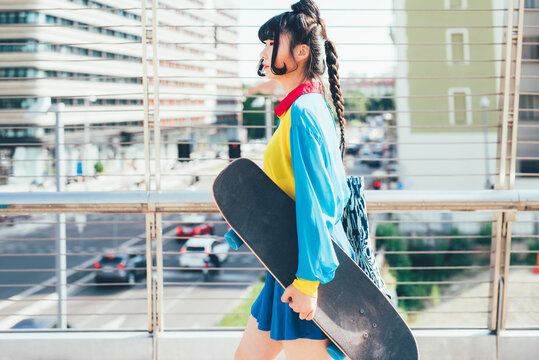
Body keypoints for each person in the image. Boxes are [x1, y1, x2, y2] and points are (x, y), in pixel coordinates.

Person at [224, 1, 352, 359]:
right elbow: (285, 189)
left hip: (306, 272)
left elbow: (319, 202)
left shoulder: (305, 114)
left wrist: (309, 283)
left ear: (300, 51)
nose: (264, 52)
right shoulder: (300, 109)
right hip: (286, 266)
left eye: (270, 44)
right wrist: (245, 227)